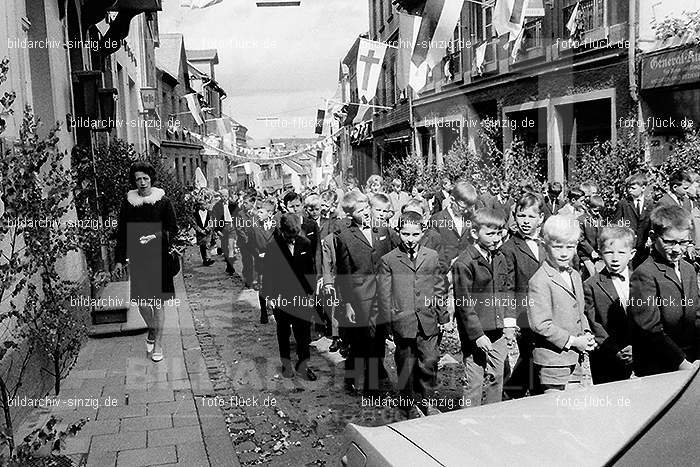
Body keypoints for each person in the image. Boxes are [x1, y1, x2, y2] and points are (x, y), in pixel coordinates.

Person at [377, 211, 449, 418]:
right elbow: (384, 294)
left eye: (415, 234)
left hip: (428, 320)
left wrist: (443, 316)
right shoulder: (389, 260)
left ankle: (427, 401)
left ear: (422, 232)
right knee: (405, 363)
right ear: (398, 232)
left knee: (430, 361)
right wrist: (388, 324)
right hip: (403, 322)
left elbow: (439, 287)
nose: (410, 239)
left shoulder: (431, 256)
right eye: (406, 234)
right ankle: (407, 402)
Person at [335, 191, 398, 393]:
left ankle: (372, 373)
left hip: (384, 293)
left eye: (366, 208)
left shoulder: (384, 231)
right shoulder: (345, 237)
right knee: (365, 339)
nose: (366, 213)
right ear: (350, 215)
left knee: (378, 337)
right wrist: (348, 303)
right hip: (361, 296)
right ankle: (369, 387)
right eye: (360, 211)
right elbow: (344, 274)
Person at [114, 161, 178, 363]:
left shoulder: (163, 201)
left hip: (159, 257)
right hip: (138, 257)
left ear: (151, 179)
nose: (142, 182)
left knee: (158, 303)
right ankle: (152, 328)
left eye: (145, 179)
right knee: (142, 302)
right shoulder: (128, 203)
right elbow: (122, 233)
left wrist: (156, 236)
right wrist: (118, 259)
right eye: (138, 179)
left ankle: (158, 344)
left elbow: (173, 229)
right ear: (133, 181)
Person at [452, 208, 516, 407]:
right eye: (490, 233)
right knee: (475, 380)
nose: (496, 238)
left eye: (499, 233)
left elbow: (507, 291)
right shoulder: (465, 263)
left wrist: (509, 323)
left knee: (497, 376)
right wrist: (478, 335)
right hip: (476, 334)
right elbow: (464, 303)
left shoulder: (499, 258)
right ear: (474, 233)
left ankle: (493, 415)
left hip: (498, 331)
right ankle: (469, 420)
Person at [628, 205, 700, 376]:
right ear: (653, 237)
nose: (677, 249)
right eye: (669, 242)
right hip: (659, 365)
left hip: (691, 362)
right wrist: (682, 363)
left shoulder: (688, 269)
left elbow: (697, 315)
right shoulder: (644, 274)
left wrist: (697, 356)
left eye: (683, 242)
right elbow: (649, 327)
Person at [527, 215, 595, 392]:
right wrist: (573, 341)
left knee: (573, 409)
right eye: (557, 247)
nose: (564, 253)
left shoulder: (574, 275)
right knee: (557, 410)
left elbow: (580, 311)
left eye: (570, 247)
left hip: (575, 358)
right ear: (544, 246)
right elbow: (540, 324)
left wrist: (586, 333)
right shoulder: (540, 280)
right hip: (553, 361)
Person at [501, 193, 547, 398]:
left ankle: (515, 391)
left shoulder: (547, 244)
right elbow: (508, 286)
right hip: (523, 313)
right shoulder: (509, 248)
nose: (525, 222)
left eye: (530, 217)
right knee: (531, 352)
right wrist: (509, 320)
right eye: (521, 216)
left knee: (539, 353)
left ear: (541, 218)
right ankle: (517, 392)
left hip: (546, 310)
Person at [261, 213, 317, 380]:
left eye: (295, 236)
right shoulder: (273, 247)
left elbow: (310, 271)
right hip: (281, 297)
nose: (292, 240)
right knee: (283, 333)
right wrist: (270, 298)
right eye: (289, 236)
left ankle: (303, 366)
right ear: (282, 231)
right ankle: (286, 365)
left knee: (303, 334)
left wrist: (311, 293)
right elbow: (268, 274)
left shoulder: (305, 243)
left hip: (301, 297)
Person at [584, 226, 635, 384]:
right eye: (608, 252)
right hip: (607, 355)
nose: (615, 258)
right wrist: (614, 350)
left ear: (632, 254)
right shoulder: (591, 285)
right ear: (600, 254)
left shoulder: (641, 280)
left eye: (621, 253)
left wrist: (637, 346)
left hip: (638, 351)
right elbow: (594, 322)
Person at [612, 172, 654, 269]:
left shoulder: (650, 204)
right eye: (628, 188)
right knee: (629, 269)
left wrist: (650, 238)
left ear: (643, 188)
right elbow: (615, 224)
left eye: (633, 188)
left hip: (644, 245)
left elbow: (652, 223)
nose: (629, 190)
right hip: (628, 243)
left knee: (642, 269)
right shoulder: (623, 203)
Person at [249, 200, 277, 324]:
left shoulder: (277, 226)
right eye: (258, 211)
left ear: (270, 213)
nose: (258, 214)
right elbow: (250, 244)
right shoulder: (255, 227)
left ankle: (275, 309)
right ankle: (264, 312)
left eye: (261, 212)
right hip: (261, 259)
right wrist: (257, 253)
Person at [578, 194, 605, 280]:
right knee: (593, 275)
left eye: (599, 211)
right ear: (588, 207)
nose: (597, 213)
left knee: (594, 274)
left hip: (598, 253)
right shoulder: (581, 220)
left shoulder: (600, 219)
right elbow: (581, 239)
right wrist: (591, 251)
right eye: (595, 210)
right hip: (585, 253)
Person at [211, 188, 238, 274]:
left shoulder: (233, 204)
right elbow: (214, 219)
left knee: (231, 246)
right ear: (220, 196)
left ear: (228, 196)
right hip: (223, 227)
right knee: (225, 247)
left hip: (232, 226)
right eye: (222, 196)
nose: (224, 197)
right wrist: (217, 230)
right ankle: (228, 263)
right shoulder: (217, 206)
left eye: (226, 196)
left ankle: (231, 266)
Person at [235, 191, 257, 288]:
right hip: (244, 242)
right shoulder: (240, 214)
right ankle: (248, 280)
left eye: (246, 203)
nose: (244, 204)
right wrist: (246, 238)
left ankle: (255, 279)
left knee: (256, 261)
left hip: (256, 242)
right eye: (243, 202)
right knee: (247, 261)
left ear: (252, 203)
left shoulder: (257, 213)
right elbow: (239, 228)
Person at [193, 200, 215, 267]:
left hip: (208, 232)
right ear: (199, 206)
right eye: (201, 205)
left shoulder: (209, 213)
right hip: (200, 233)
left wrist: (207, 229)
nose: (203, 206)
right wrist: (200, 230)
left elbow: (212, 221)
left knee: (207, 245)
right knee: (202, 246)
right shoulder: (195, 214)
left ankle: (208, 259)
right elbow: (194, 224)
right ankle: (205, 260)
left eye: (204, 204)